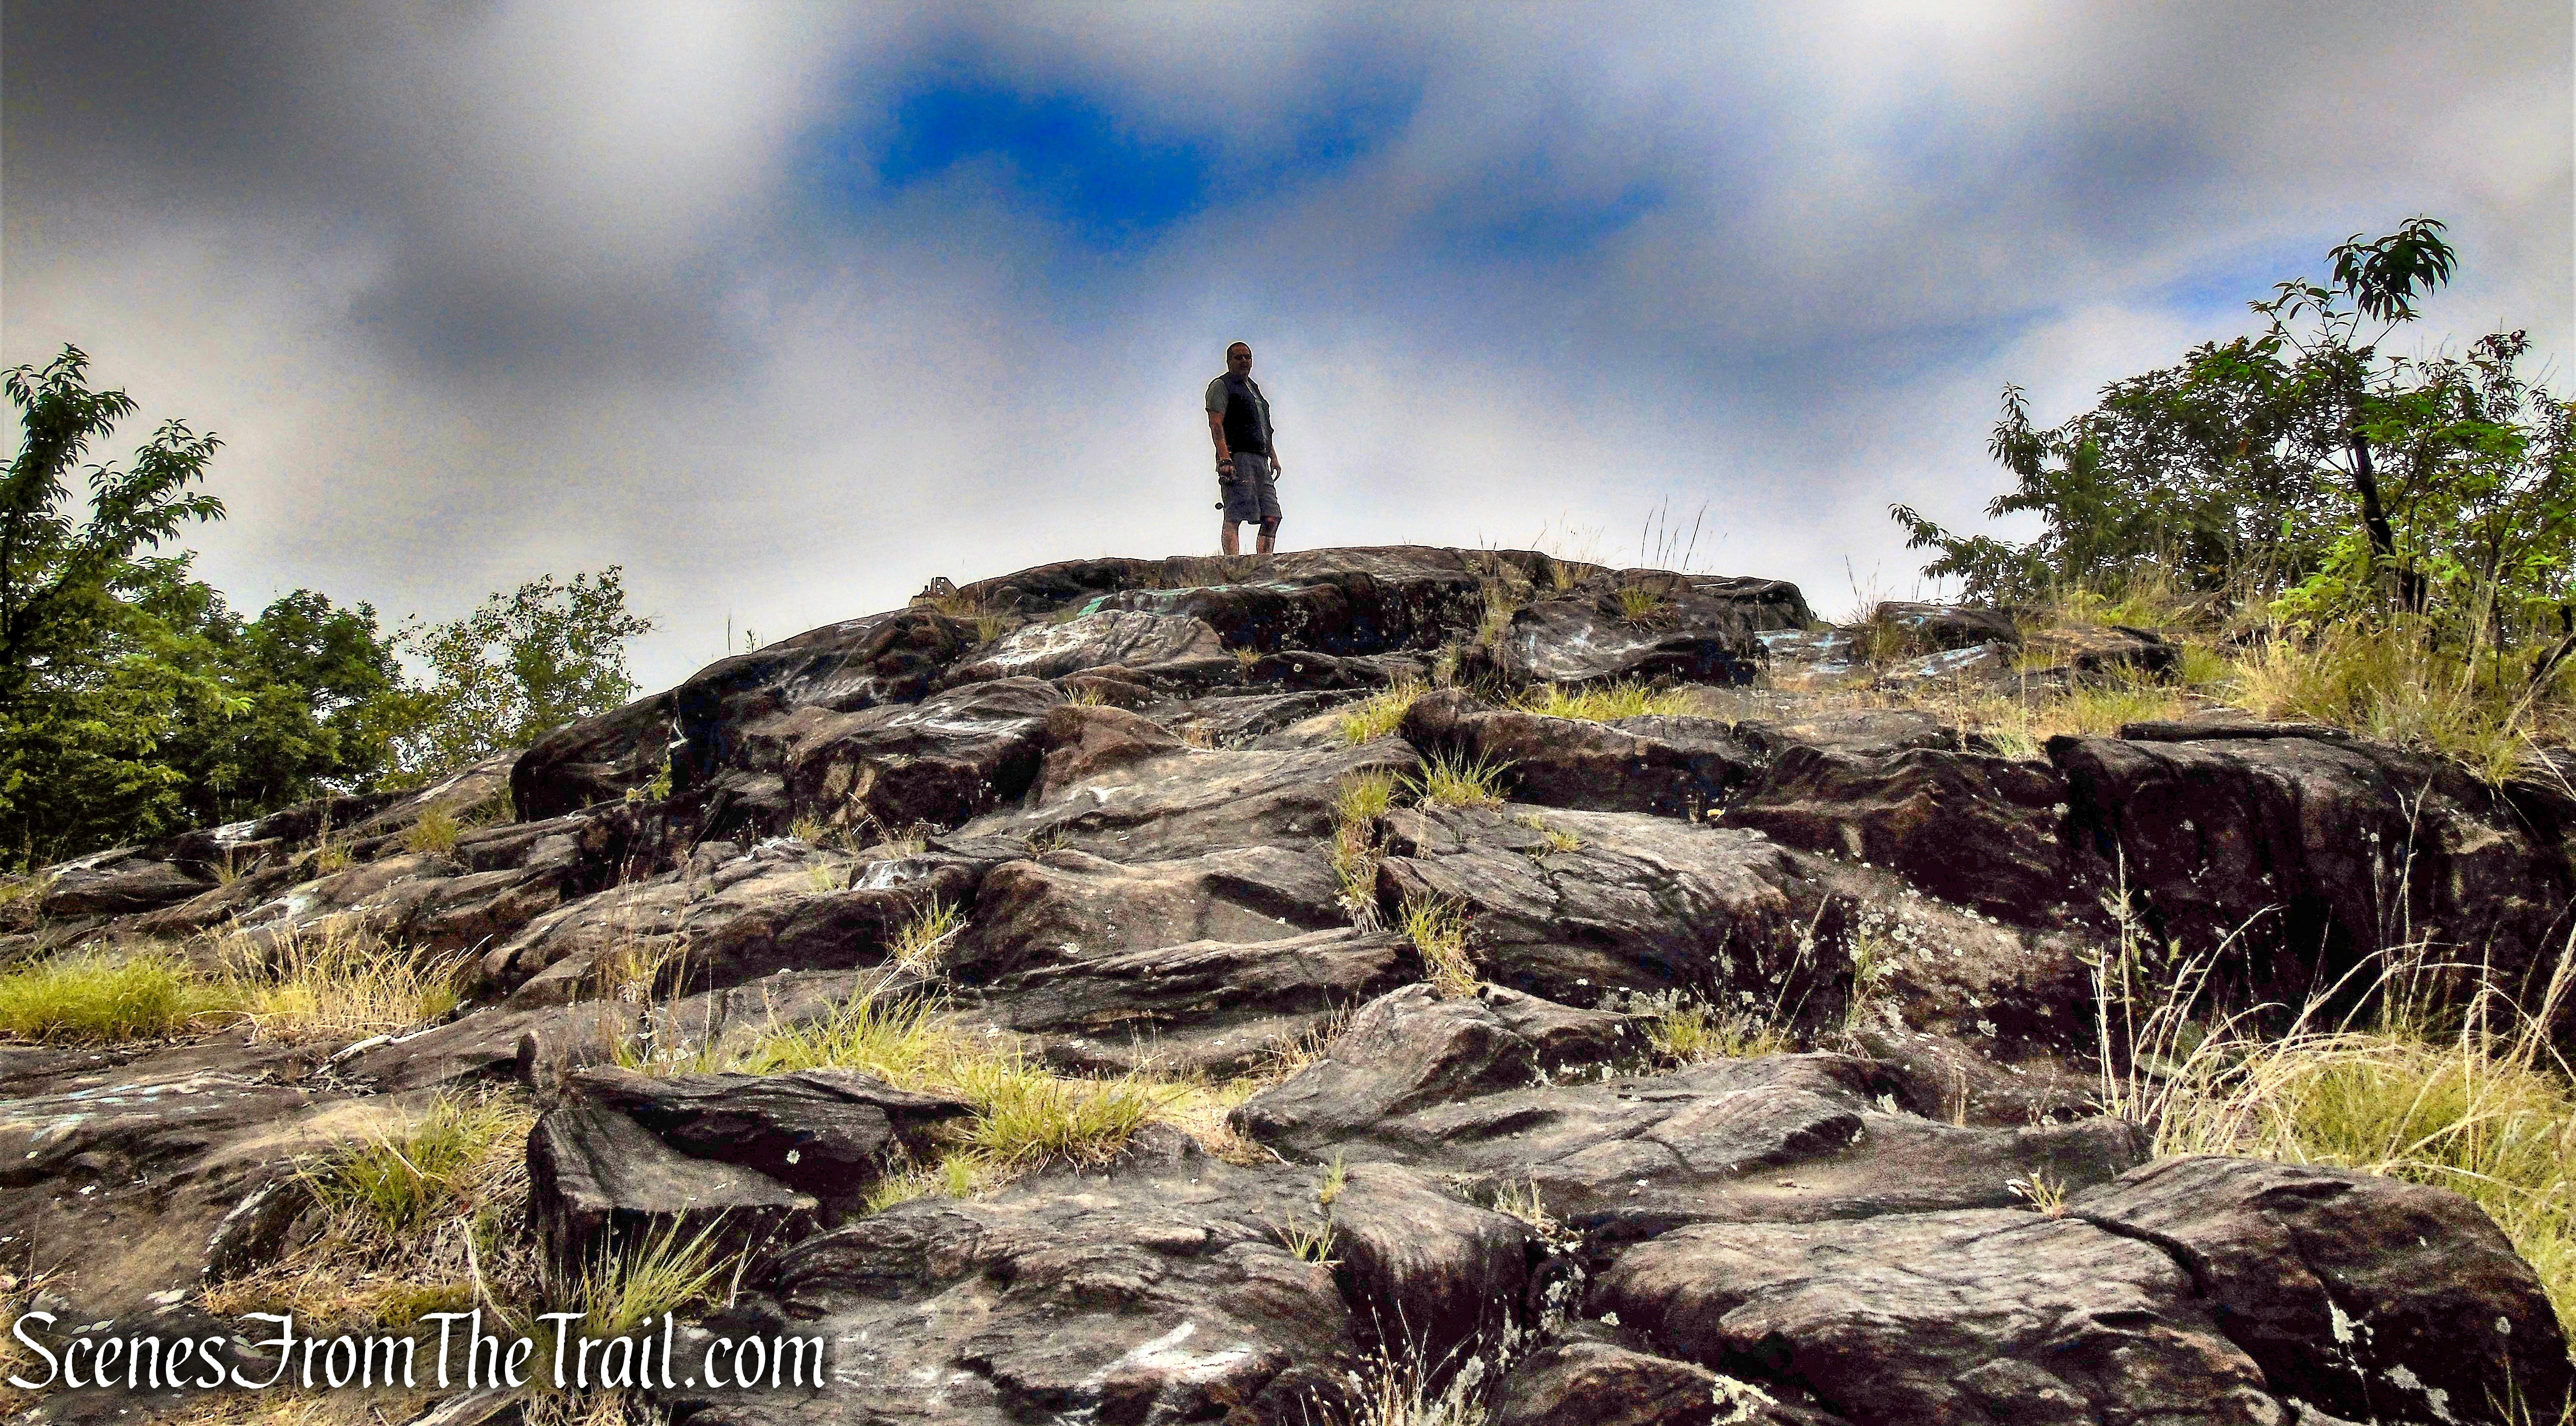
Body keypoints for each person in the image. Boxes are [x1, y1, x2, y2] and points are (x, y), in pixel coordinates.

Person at [1205, 341, 1282, 554]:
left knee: (1271, 515)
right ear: (1229, 361)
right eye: (1239, 357)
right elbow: (1216, 424)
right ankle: (1233, 564)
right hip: (1237, 456)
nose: (1244, 361)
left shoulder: (1254, 390)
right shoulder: (1222, 386)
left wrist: (1273, 456)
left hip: (1260, 459)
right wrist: (1225, 459)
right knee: (1235, 512)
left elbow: (1265, 426)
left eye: (1248, 357)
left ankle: (1264, 563)